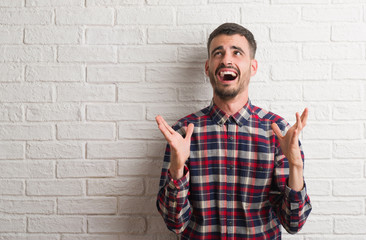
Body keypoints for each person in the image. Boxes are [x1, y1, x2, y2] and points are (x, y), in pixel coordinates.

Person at [155, 22, 312, 240]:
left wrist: (295, 165)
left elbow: (294, 223)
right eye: (218, 53)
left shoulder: (278, 132)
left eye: (236, 52)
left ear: (253, 67)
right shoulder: (183, 133)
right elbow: (175, 222)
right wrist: (177, 169)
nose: (226, 59)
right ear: (208, 67)